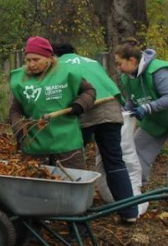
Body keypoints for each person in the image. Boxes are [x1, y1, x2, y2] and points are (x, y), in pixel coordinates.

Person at [114, 38, 168, 212]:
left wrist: (146, 108)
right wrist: (125, 111)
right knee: (138, 147)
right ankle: (134, 188)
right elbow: (134, 99)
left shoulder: (157, 70)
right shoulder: (128, 77)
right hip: (158, 109)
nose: (118, 68)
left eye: (119, 64)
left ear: (132, 60)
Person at [53, 43, 138, 223]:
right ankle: (129, 212)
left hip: (89, 108)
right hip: (112, 107)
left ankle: (68, 207)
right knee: (114, 160)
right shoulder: (91, 61)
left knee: (69, 158)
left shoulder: (59, 65)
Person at [9, 36, 96, 170]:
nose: (32, 64)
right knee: (35, 183)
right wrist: (18, 127)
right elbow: (16, 109)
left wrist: (80, 104)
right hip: (35, 144)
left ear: (48, 57)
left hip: (67, 144)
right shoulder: (21, 79)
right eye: (28, 60)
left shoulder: (67, 72)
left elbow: (89, 91)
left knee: (73, 181)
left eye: (36, 60)